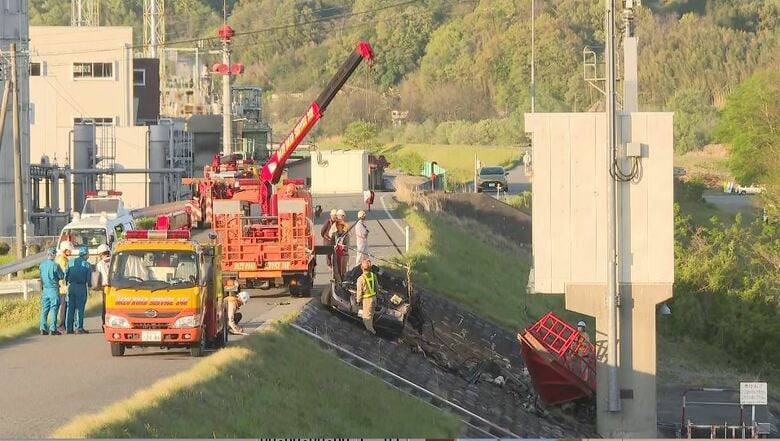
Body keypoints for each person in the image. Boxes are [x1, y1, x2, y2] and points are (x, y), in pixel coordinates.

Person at [65, 246, 92, 334]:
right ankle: (79, 327)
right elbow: (89, 279)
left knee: (70, 308)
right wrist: (90, 287)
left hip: (71, 287)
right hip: (81, 287)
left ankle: (69, 328)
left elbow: (66, 274)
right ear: (86, 254)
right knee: (80, 308)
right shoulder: (87, 265)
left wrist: (67, 284)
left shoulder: (70, 262)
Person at [39, 248, 64, 336]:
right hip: (53, 289)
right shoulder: (55, 265)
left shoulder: (42, 265)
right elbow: (61, 276)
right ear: (53, 254)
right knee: (54, 309)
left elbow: (41, 277)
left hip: (45, 289)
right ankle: (52, 329)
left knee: (44, 309)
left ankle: (42, 328)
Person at [354, 259, 377, 334]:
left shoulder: (361, 279)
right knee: (371, 317)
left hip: (367, 300)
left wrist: (358, 301)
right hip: (374, 298)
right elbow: (377, 287)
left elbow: (359, 292)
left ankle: (371, 333)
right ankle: (371, 329)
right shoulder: (374, 276)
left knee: (366, 318)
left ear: (362, 268)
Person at [55, 241, 73, 330]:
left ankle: (63, 325)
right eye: (70, 250)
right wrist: (65, 286)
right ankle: (62, 325)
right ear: (65, 250)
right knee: (63, 306)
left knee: (64, 306)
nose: (71, 252)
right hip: (63, 288)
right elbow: (62, 274)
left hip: (63, 287)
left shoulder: (63, 258)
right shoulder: (62, 259)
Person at [329, 210, 349, 283]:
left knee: (343, 270)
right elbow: (331, 241)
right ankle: (338, 283)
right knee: (336, 270)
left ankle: (343, 282)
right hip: (336, 254)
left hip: (344, 254)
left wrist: (345, 248)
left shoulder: (345, 232)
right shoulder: (334, 232)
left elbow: (347, 243)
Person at [94, 244, 111, 325]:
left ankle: (105, 323)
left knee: (105, 306)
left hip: (105, 287)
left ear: (100, 254)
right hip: (115, 286)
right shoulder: (115, 260)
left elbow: (97, 277)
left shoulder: (99, 264)